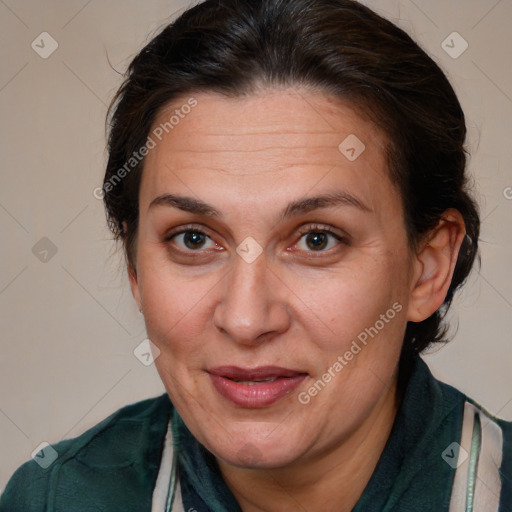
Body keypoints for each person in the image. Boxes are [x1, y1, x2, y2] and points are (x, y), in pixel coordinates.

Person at [1, 0, 511, 510]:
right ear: (134, 265)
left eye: (317, 239)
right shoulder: (55, 499)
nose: (246, 320)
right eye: (193, 239)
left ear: (427, 267)